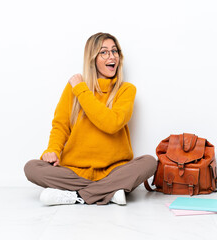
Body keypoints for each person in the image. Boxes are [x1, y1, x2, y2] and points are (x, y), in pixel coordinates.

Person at [24, 32, 157, 206]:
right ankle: (109, 192)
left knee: (149, 162)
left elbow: (112, 123)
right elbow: (61, 125)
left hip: (114, 171)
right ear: (92, 59)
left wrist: (82, 90)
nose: (112, 56)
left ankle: (77, 196)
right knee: (32, 168)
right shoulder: (75, 88)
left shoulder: (126, 90)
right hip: (74, 172)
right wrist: (53, 150)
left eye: (115, 51)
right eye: (104, 52)